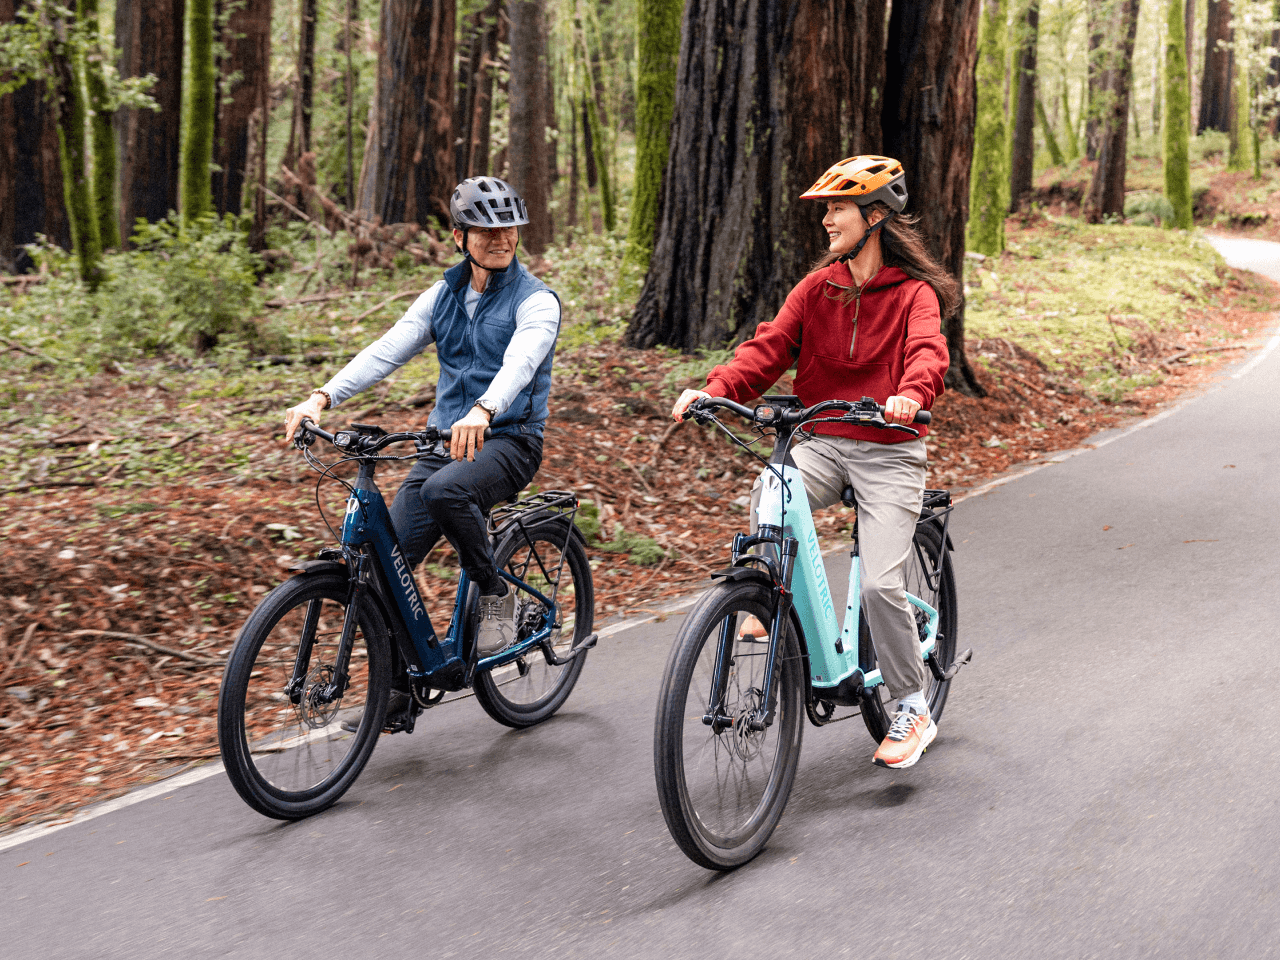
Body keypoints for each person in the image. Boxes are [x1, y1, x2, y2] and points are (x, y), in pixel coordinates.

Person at [670, 155, 959, 770]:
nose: (827, 220)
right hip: (824, 441)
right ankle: (772, 599)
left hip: (890, 449)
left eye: (838, 209)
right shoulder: (816, 289)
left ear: (874, 217)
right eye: (826, 210)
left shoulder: (915, 295)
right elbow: (768, 348)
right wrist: (714, 391)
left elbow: (928, 354)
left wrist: (911, 394)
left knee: (881, 586)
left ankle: (913, 705)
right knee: (772, 489)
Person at [284, 176, 560, 659]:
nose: (501, 239)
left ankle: (496, 595)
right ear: (460, 237)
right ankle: (399, 685)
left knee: (444, 491)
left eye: (509, 229)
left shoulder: (536, 300)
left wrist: (484, 409)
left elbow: (521, 363)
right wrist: (321, 397)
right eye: (486, 231)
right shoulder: (442, 295)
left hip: (511, 440)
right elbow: (387, 350)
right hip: (446, 442)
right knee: (384, 567)